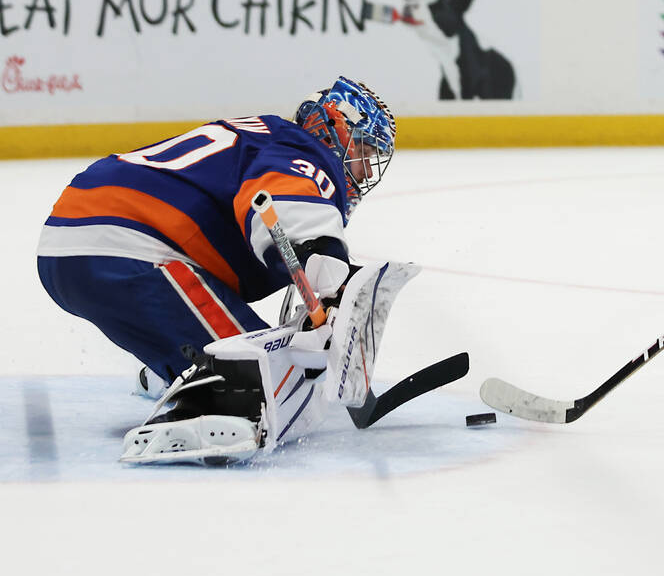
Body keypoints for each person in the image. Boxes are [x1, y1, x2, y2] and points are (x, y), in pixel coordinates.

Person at [37, 77, 402, 464]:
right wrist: (330, 278)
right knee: (266, 380)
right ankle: (213, 401)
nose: (365, 171)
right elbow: (285, 199)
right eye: (364, 150)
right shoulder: (303, 149)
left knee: (258, 352)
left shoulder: (264, 137)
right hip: (127, 242)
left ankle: (175, 366)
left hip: (83, 238)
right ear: (331, 130)